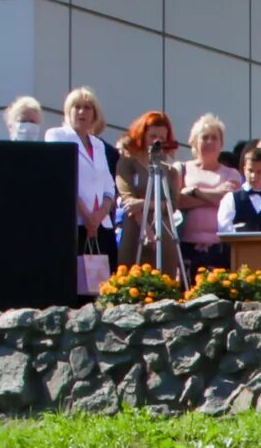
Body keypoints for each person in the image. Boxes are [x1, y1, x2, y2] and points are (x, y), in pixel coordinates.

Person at [60, 88, 118, 295]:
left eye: (87, 107)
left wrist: (100, 213)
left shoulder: (98, 145)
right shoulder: (59, 136)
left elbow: (109, 186)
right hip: (75, 223)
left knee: (101, 289)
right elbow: (63, 179)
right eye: (76, 107)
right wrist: (86, 216)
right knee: (75, 288)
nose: (81, 112)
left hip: (101, 224)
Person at [112, 112, 181, 277]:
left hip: (163, 232)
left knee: (165, 280)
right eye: (153, 136)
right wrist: (147, 231)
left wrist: (144, 203)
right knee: (131, 278)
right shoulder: (128, 161)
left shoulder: (170, 170)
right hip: (135, 230)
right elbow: (128, 199)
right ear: (142, 135)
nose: (157, 141)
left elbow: (172, 205)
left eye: (162, 137)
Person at [173, 115, 235, 271]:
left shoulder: (231, 173)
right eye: (204, 137)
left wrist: (195, 192)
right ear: (194, 141)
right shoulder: (181, 169)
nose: (209, 142)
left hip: (220, 247)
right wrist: (216, 195)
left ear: (221, 143)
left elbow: (229, 201)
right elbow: (177, 201)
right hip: (185, 245)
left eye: (214, 138)